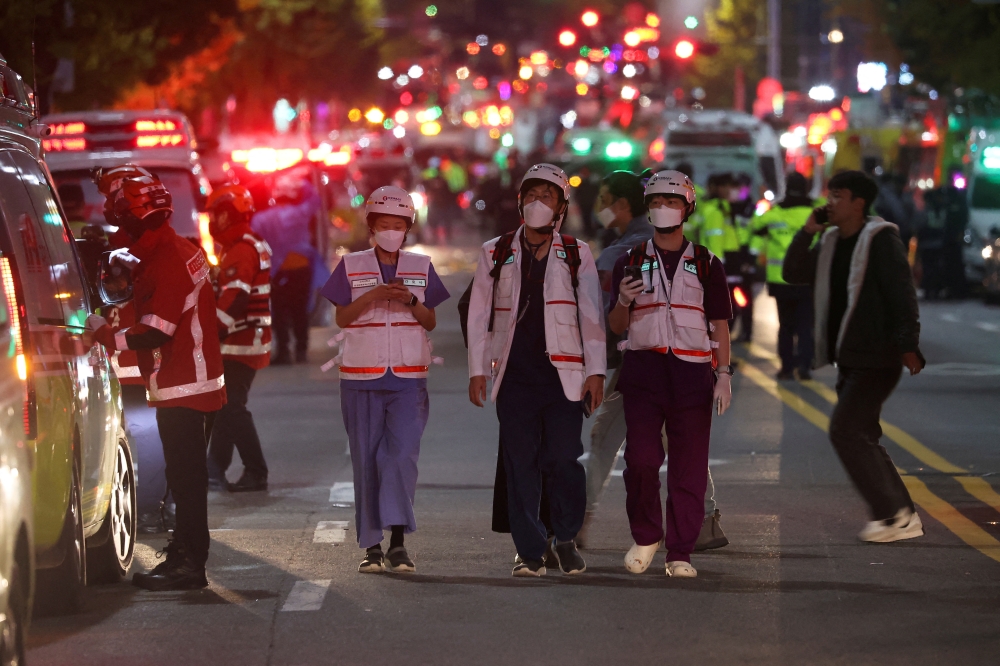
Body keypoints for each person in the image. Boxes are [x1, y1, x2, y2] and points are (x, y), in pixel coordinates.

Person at [87, 175, 226, 590]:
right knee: (187, 477)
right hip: (190, 379)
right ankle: (184, 553)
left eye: (120, 218)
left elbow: (156, 330)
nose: (118, 226)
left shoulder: (167, 259)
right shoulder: (172, 247)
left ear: (134, 218)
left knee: (186, 478)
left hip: (184, 383)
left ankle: (189, 564)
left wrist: (104, 335)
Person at [467, 163, 605, 577]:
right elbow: (478, 316)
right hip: (514, 378)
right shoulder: (495, 251)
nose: (537, 203)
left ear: (561, 207)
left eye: (547, 197)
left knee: (564, 459)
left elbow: (593, 319)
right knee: (519, 463)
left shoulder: (578, 253)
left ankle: (565, 539)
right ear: (520, 201)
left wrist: (595, 372)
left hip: (564, 378)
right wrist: (478, 370)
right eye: (531, 195)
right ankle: (529, 550)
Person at [581, 170, 728, 552]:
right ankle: (702, 521)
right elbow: (616, 316)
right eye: (657, 202)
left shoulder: (628, 255)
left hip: (660, 367)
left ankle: (578, 519)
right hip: (649, 366)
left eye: (604, 199)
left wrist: (722, 373)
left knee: (611, 441)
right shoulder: (632, 253)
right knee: (665, 450)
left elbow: (718, 322)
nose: (600, 208)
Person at [783, 170, 926, 543]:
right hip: (849, 356)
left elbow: (901, 294)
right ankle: (902, 514)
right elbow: (793, 272)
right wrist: (807, 232)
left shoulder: (880, 240)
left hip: (878, 356)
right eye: (829, 195)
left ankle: (892, 514)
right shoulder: (831, 241)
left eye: (838, 196)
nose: (829, 202)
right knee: (863, 434)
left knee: (845, 431)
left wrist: (907, 345)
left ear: (859, 203)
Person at [321, 186, 450, 574]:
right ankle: (373, 547)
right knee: (366, 462)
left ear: (407, 229)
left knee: (400, 458)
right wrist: (375, 296)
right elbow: (342, 318)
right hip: (361, 377)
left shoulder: (421, 265)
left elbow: (430, 320)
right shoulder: (351, 266)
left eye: (398, 225)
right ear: (371, 228)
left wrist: (411, 300)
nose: (391, 231)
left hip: (409, 378)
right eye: (384, 225)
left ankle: (398, 541)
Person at [205, 184, 273, 493]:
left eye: (216, 214)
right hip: (244, 340)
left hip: (240, 342)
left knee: (231, 407)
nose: (212, 221)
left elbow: (234, 301)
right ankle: (214, 470)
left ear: (227, 216)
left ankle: (255, 471)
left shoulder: (241, 250)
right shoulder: (243, 245)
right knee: (226, 406)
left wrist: (206, 335)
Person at [751, 172, 816, 380]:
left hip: (780, 279)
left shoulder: (775, 213)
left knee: (786, 325)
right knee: (806, 324)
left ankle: (786, 367)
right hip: (808, 278)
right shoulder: (815, 213)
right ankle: (805, 364)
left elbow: (755, 226)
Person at [251, 177, 322, 364]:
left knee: (279, 312)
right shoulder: (300, 213)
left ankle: (283, 351)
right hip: (300, 270)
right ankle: (301, 349)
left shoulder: (261, 218)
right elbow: (316, 200)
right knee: (300, 311)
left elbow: (254, 242)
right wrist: (301, 182)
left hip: (275, 273)